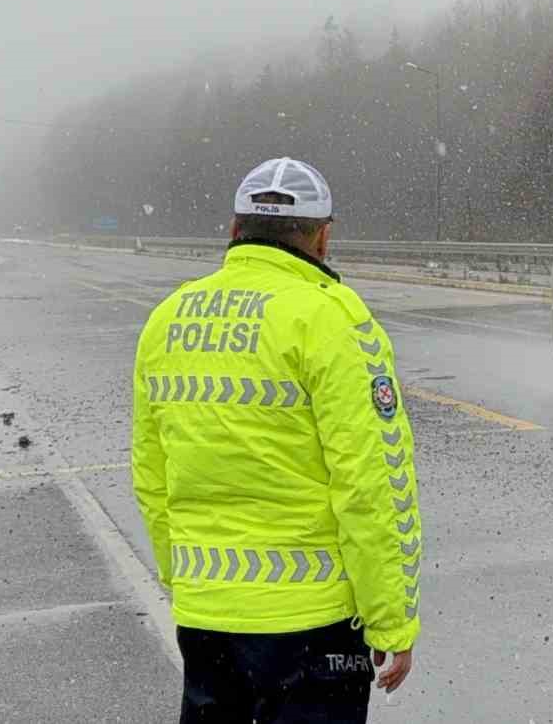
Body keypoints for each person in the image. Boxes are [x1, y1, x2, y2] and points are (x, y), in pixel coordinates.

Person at [132, 157, 423, 723]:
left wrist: (186, 578)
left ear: (236, 230)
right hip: (311, 624)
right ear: (322, 236)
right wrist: (391, 618)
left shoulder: (167, 320)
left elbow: (151, 475)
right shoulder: (332, 319)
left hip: (207, 618)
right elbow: (371, 483)